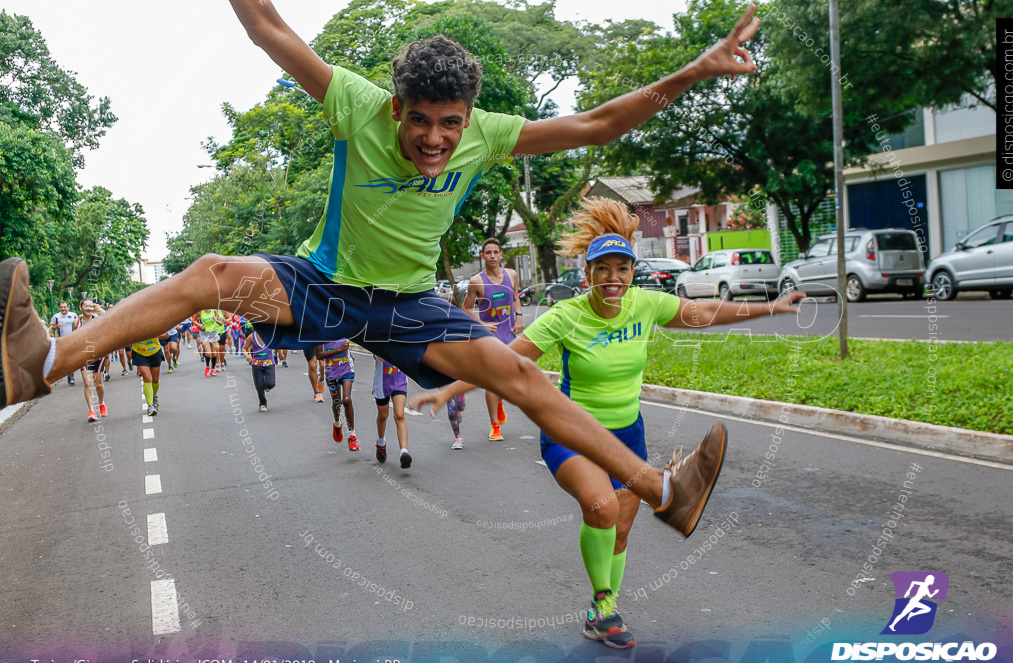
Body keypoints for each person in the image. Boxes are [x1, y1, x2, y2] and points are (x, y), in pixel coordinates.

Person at [0, 2, 766, 540]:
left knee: (524, 377)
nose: (433, 139)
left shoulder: (489, 135)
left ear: (468, 119)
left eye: (449, 125)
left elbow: (598, 123)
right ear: (395, 106)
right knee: (209, 272)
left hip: (410, 306)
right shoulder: (355, 104)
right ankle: (45, 361)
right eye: (419, 120)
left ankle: (665, 492)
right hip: (323, 282)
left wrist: (695, 70)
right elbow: (268, 26)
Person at [412, 197, 806, 648]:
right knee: (600, 506)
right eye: (603, 269)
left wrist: (772, 307)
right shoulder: (565, 316)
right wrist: (447, 389)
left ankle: (605, 610)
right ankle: (606, 596)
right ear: (589, 274)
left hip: (627, 435)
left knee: (619, 527)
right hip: (572, 434)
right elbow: (503, 364)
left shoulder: (645, 305)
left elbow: (705, 314)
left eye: (622, 268)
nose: (613, 278)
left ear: (632, 272)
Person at [462, 238, 522, 441]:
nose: (492, 256)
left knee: (508, 377)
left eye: (496, 252)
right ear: (482, 256)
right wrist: (482, 324)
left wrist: (519, 315)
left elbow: (515, 296)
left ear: (501, 254)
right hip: (490, 337)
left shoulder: (511, 275)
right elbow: (466, 308)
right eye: (488, 253)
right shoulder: (476, 282)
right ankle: (495, 426)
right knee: (491, 381)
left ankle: (499, 401)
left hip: (509, 334)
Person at [315, 338, 359, 450]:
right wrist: (339, 349)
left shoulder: (343, 327)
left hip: (346, 369)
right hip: (331, 371)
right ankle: (337, 422)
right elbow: (319, 355)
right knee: (337, 402)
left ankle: (352, 436)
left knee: (347, 400)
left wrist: (349, 353)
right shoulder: (321, 332)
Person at [372, 355, 411, 468]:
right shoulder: (377, 340)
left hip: (400, 380)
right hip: (382, 383)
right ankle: (381, 442)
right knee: (383, 416)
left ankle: (404, 452)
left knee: (399, 415)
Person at [76, 299, 107, 422]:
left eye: (90, 306)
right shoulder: (76, 322)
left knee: (98, 384)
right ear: (80, 307)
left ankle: (101, 403)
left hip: (98, 354)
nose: (88, 308)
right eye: (86, 306)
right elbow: (74, 338)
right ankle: (91, 410)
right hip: (84, 357)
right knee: (88, 383)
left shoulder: (98, 320)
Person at [133, 331, 168, 417]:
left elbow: (166, 335)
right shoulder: (132, 323)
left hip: (154, 351)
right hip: (139, 352)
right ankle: (150, 406)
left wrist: (150, 334)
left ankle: (154, 397)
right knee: (147, 377)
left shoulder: (154, 321)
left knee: (155, 380)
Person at [242, 328, 277, 411]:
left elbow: (277, 344)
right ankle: (262, 403)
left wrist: (280, 353)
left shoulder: (270, 335)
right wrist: (247, 356)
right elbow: (244, 348)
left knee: (271, 383)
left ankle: (267, 386)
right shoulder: (251, 337)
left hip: (269, 363)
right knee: (259, 385)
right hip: (257, 365)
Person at [48, 301, 79, 385]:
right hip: (62, 341)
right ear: (59, 308)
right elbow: (50, 328)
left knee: (72, 359)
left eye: (65, 307)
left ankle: (71, 375)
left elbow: (78, 326)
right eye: (61, 307)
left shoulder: (73, 315)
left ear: (68, 308)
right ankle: (70, 375)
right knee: (67, 360)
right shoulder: (56, 317)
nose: (63, 309)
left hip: (72, 340)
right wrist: (56, 327)